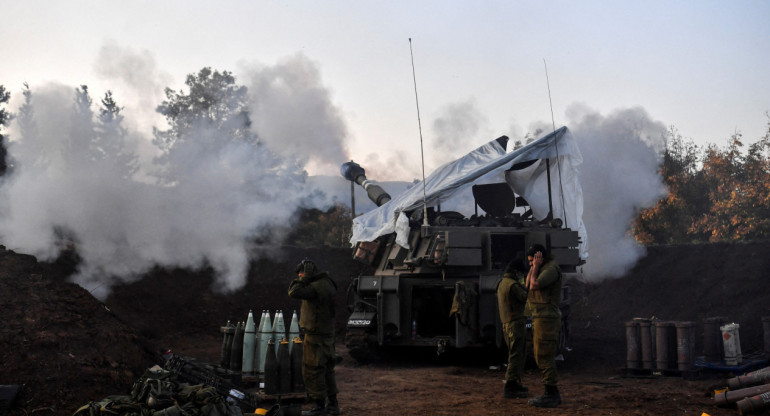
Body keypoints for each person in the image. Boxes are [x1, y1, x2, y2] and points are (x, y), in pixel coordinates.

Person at [288, 259, 340, 416]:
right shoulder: (326, 282)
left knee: (313, 370)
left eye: (300, 274)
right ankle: (333, 405)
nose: (300, 277)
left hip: (316, 336)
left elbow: (293, 292)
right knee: (327, 371)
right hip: (326, 334)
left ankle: (319, 406)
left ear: (307, 272)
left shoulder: (316, 287)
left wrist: (304, 279)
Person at [524, 244, 563, 408]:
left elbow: (534, 285)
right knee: (540, 354)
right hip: (540, 317)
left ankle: (551, 393)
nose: (531, 264)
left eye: (532, 260)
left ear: (541, 257)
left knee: (545, 355)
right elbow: (527, 283)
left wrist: (537, 267)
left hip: (547, 317)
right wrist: (534, 267)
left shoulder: (551, 269)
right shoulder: (539, 268)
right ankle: (550, 392)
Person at [496, 254, 529, 398]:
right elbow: (525, 297)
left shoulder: (503, 282)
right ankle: (510, 386)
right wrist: (525, 282)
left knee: (514, 354)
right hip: (515, 323)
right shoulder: (513, 285)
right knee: (516, 355)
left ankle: (515, 383)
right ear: (516, 272)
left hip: (507, 324)